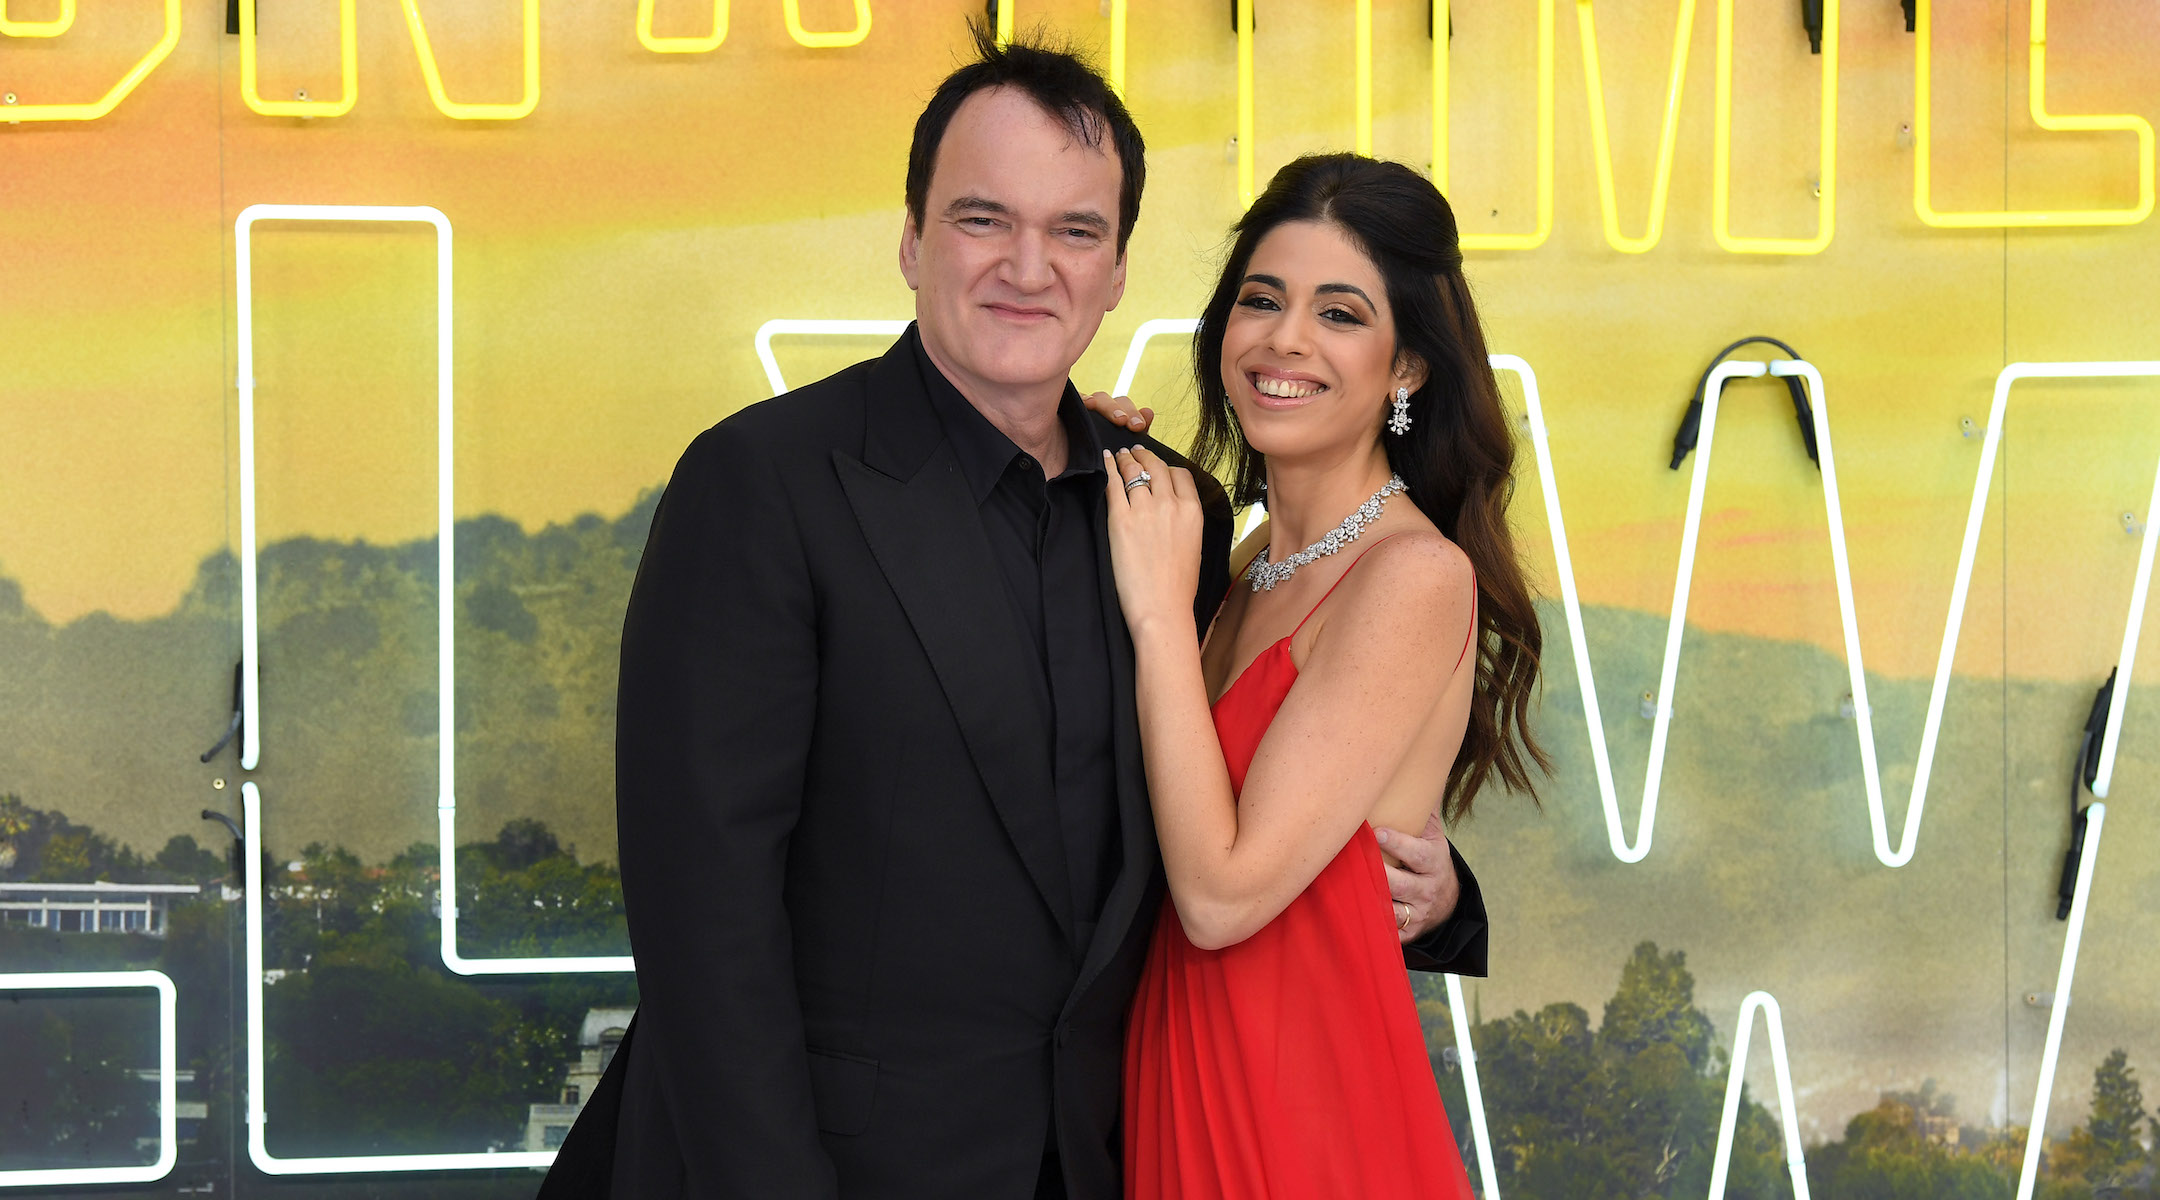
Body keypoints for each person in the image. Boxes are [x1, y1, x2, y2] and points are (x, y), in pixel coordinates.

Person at [538, 32, 1486, 1200]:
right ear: (911, 240)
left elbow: (1254, 794)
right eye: (985, 219)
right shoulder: (762, 484)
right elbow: (705, 931)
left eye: (1075, 231)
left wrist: (1439, 897)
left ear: (1118, 271)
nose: (1028, 269)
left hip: (1115, 1158)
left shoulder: (1170, 516)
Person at [1101, 153, 1548, 1198]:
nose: (1285, 338)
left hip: (1300, 1123)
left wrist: (1161, 614)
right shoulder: (1245, 563)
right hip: (1180, 1073)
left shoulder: (1413, 576)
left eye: (1340, 313)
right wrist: (1072, 466)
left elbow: (1218, 898)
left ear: (1407, 369)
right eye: (1262, 299)